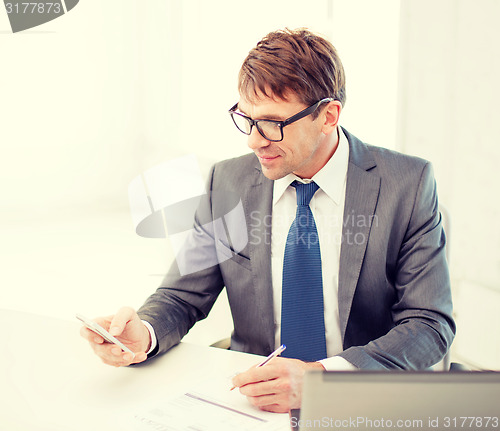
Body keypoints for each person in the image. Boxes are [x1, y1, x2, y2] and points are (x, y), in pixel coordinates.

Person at [80, 28, 455, 413]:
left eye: (273, 123)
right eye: (247, 119)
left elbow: (428, 324)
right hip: (251, 403)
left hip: (359, 401)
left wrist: (322, 380)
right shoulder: (228, 181)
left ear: (328, 116)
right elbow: (182, 294)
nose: (254, 141)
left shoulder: (407, 185)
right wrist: (143, 332)